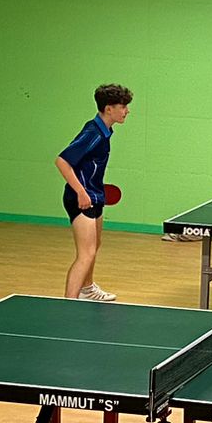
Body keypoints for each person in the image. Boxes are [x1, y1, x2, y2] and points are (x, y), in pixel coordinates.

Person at [57, 83, 132, 301]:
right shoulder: (93, 133)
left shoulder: (104, 131)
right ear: (109, 109)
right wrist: (81, 192)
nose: (127, 111)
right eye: (123, 106)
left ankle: (87, 289)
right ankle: (69, 303)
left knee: (94, 246)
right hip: (81, 198)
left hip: (95, 196)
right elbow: (62, 161)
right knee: (86, 253)